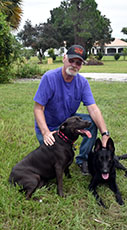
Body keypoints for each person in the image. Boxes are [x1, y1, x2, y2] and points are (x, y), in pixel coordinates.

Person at [33, 44, 110, 175]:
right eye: (71, 60)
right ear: (64, 58)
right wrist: (45, 132)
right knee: (52, 164)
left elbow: (93, 109)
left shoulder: (82, 83)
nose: (74, 65)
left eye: (78, 63)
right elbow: (38, 109)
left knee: (91, 122)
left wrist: (105, 134)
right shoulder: (49, 78)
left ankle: (82, 160)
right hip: (49, 127)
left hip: (68, 124)